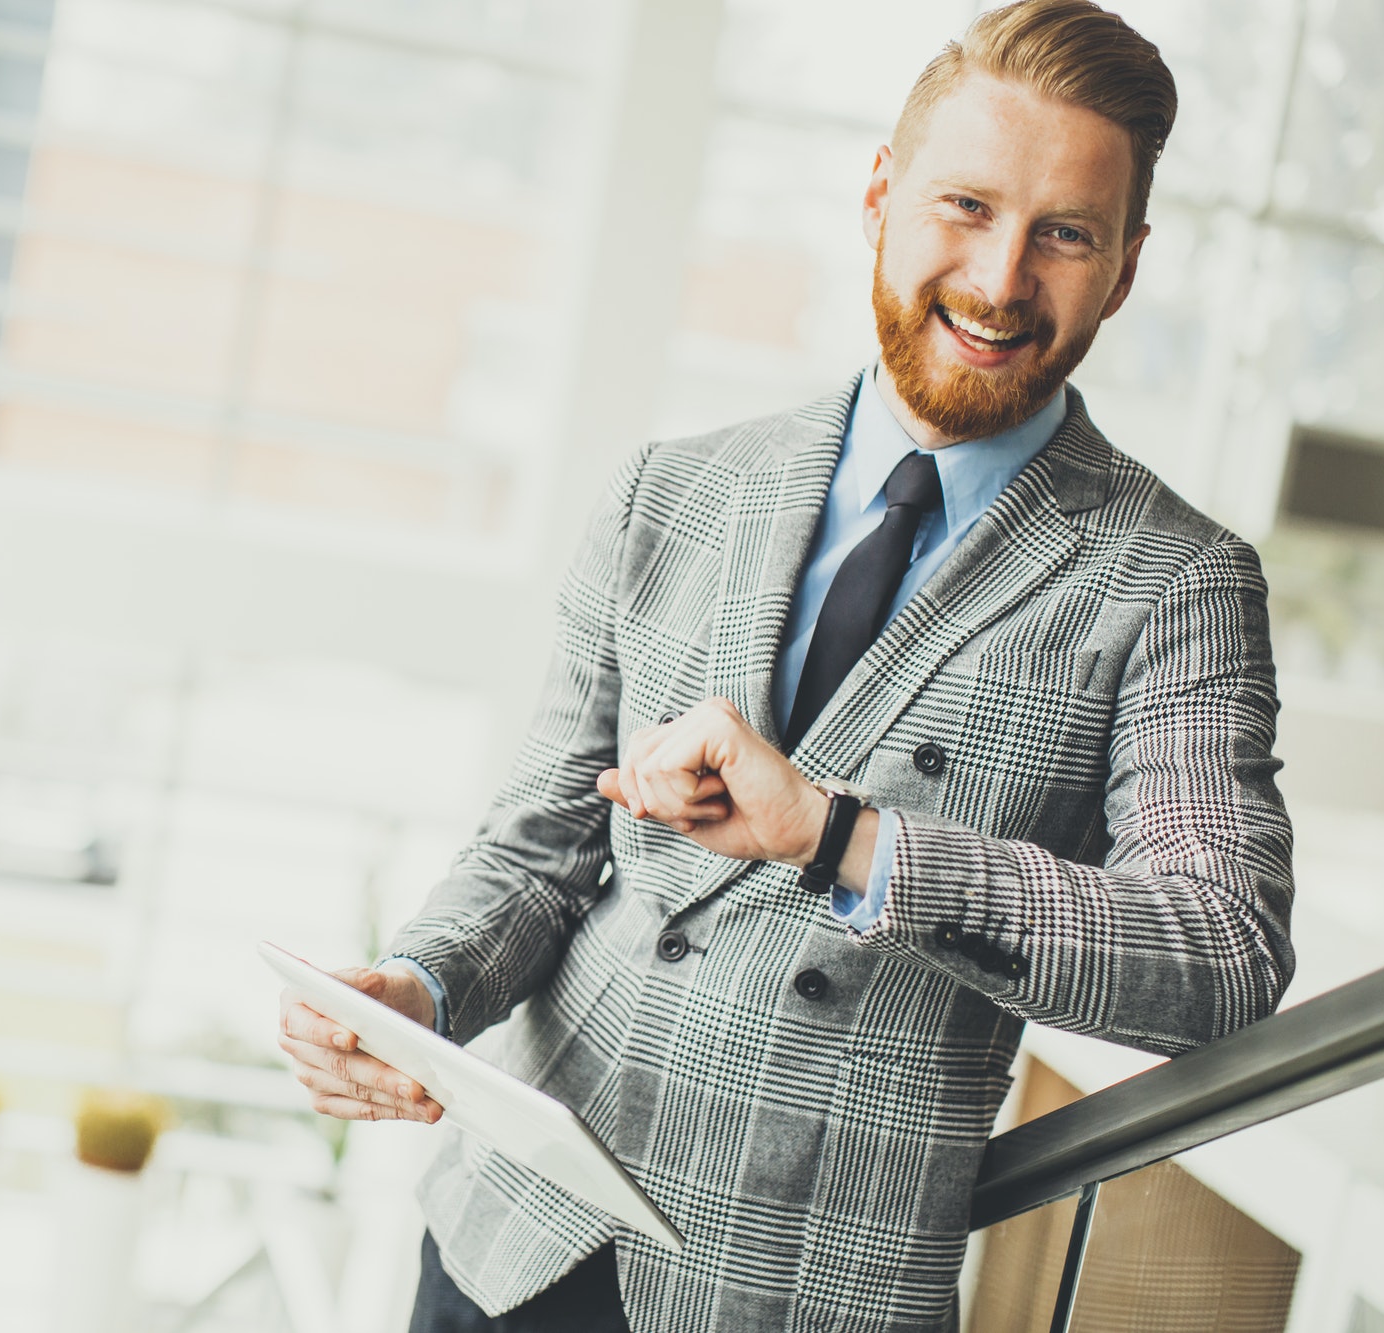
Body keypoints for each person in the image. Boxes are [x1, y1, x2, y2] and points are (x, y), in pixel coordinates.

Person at [275, 2, 1295, 1329]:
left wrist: (837, 836)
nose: (1001, 280)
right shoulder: (672, 492)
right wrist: (416, 990)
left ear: (1126, 266)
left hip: (800, 1296)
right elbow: (538, 848)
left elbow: (1220, 951)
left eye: (1065, 234)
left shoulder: (1176, 581)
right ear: (879, 195)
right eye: (967, 206)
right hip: (509, 1243)